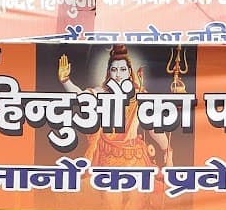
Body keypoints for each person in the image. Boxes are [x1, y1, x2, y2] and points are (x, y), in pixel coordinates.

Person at [56, 44, 173, 187]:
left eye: (122, 69)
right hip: (107, 155)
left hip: (134, 157)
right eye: (114, 69)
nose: (118, 74)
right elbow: (81, 96)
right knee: (112, 203)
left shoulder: (140, 95)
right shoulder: (102, 93)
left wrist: (167, 150)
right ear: (108, 72)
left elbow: (153, 128)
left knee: (136, 203)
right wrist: (65, 80)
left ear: (129, 72)